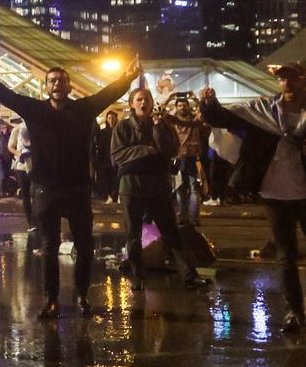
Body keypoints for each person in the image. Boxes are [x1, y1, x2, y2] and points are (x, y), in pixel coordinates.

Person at [0, 55, 136, 318]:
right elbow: (4, 93)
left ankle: (82, 295)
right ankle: (52, 299)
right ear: (46, 87)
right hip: (45, 189)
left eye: (62, 81)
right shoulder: (35, 110)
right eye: (52, 81)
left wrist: (127, 78)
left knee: (84, 245)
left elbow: (107, 94)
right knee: (49, 246)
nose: (57, 84)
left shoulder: (83, 109)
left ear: (69, 87)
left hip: (77, 188)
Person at [200, 66, 306, 330]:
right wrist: (209, 103)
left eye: (293, 78)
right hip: (275, 193)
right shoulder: (264, 111)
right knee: (286, 256)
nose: (287, 84)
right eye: (283, 79)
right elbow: (224, 118)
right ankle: (294, 311)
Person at [110, 87, 213, 293]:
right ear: (132, 103)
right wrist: (146, 150)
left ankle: (189, 276)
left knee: (171, 232)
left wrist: (158, 130)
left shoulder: (162, 123)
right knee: (133, 234)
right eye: (139, 99)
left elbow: (172, 150)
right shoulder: (122, 126)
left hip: (158, 186)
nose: (143, 103)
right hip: (131, 186)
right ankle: (138, 276)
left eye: (146, 99)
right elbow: (116, 156)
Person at [163, 96, 207, 226]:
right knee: (181, 188)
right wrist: (169, 98)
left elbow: (204, 111)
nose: (182, 107)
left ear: (188, 106)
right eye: (180, 105)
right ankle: (185, 217)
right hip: (179, 157)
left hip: (192, 157)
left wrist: (195, 98)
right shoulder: (173, 121)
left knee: (193, 188)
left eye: (184, 105)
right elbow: (160, 111)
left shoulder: (193, 120)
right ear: (176, 107)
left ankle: (191, 217)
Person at [8, 117, 35, 230]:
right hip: (21, 166)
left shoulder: (36, 128)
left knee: (36, 194)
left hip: (35, 166)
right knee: (26, 195)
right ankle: (31, 222)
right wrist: (20, 154)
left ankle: (38, 218)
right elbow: (10, 146)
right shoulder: (17, 129)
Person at [93, 110, 121, 203]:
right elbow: (98, 146)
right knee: (104, 182)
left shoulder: (119, 131)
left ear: (116, 119)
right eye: (109, 118)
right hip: (104, 161)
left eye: (113, 118)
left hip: (116, 161)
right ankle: (104, 198)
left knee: (115, 182)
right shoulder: (102, 132)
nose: (111, 120)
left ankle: (114, 198)